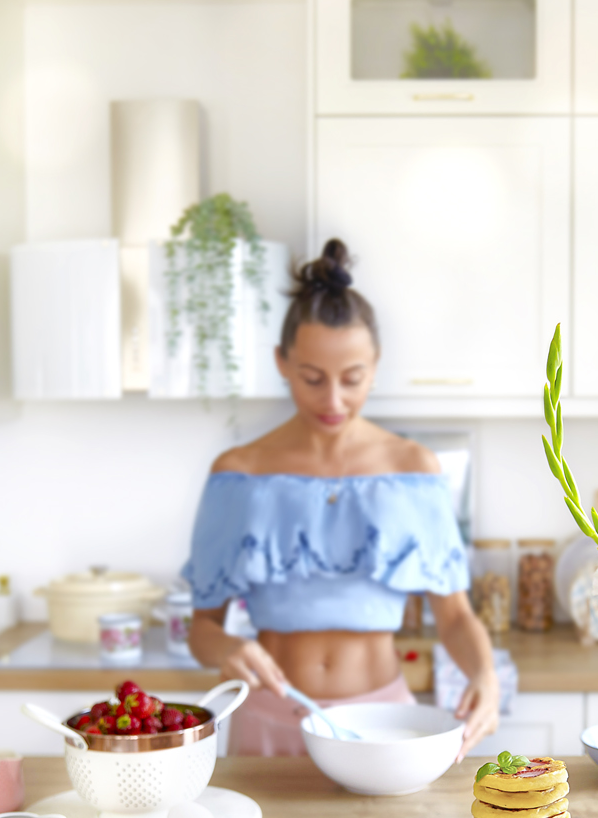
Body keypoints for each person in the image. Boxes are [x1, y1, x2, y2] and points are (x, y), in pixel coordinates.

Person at [184, 240, 499, 759]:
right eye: (312, 379)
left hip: (383, 727)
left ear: (375, 366)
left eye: (352, 379)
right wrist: (228, 647)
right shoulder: (238, 473)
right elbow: (203, 628)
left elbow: (456, 618)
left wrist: (484, 675)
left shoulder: (413, 470)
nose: (333, 401)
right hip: (266, 725)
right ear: (281, 362)